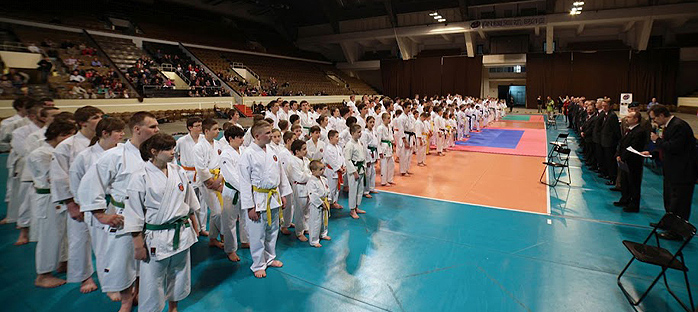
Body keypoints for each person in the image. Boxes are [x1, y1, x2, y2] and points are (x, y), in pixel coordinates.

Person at [77, 112, 159, 311]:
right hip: (125, 216)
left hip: (152, 216)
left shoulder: (156, 154)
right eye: (153, 127)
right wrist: (100, 215)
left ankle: (140, 292)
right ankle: (126, 300)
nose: (157, 130)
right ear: (137, 129)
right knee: (123, 261)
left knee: (146, 260)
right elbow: (90, 183)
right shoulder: (115, 155)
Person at [124, 133, 199, 312]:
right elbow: (134, 213)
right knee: (152, 281)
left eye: (173, 148)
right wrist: (138, 245)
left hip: (181, 231)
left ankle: (173, 307)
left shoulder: (178, 171)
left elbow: (188, 201)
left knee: (180, 274)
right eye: (168, 149)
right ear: (154, 152)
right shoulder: (139, 176)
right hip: (156, 237)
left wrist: (195, 224)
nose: (173, 152)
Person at [69, 117, 125, 300]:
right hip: (96, 207)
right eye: (119, 131)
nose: (123, 134)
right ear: (105, 134)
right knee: (102, 248)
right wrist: (81, 205)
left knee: (118, 247)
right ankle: (109, 286)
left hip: (118, 205)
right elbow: (77, 182)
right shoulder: (85, 156)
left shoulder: (122, 152)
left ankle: (123, 281)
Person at [51, 106, 103, 294]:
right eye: (96, 117)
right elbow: (59, 177)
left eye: (101, 116)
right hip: (79, 200)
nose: (101, 119)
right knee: (79, 240)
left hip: (103, 199)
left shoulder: (104, 142)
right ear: (82, 123)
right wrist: (71, 204)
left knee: (107, 240)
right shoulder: (67, 146)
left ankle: (109, 274)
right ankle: (84, 277)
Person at [238, 121, 292, 278]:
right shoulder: (247, 155)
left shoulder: (272, 150)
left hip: (273, 197)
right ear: (257, 135)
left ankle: (269, 258)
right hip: (258, 199)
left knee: (272, 231)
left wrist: (282, 193)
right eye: (267, 133)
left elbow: (280, 174)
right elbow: (244, 182)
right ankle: (258, 264)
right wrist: (250, 206)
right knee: (257, 234)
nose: (271, 135)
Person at [29, 120, 76, 288]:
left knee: (63, 233)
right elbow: (53, 178)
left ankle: (63, 262)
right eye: (70, 136)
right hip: (49, 198)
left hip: (62, 197)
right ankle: (43, 274)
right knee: (49, 236)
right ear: (61, 135)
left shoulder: (60, 151)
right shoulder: (40, 154)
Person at [646, 105, 698, 240]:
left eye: (654, 119)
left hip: (682, 172)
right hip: (671, 170)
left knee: (679, 202)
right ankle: (668, 222)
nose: (654, 122)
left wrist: (656, 140)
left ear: (662, 115)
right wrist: (652, 152)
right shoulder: (670, 126)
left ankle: (676, 231)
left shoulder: (679, 126)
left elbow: (673, 147)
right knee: (669, 199)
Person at [10, 99, 46, 245]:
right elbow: (24, 153)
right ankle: (23, 232)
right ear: (32, 116)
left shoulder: (52, 132)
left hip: (46, 173)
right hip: (30, 171)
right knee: (26, 204)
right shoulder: (22, 132)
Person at [193, 118, 224, 249]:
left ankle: (213, 238)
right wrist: (211, 182)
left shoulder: (218, 145)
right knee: (217, 211)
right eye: (215, 129)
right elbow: (200, 168)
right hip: (207, 183)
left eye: (218, 129)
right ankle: (222, 235)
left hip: (219, 180)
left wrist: (220, 179)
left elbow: (223, 162)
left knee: (220, 211)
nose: (218, 131)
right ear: (206, 131)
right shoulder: (198, 147)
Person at [174, 117, 207, 236]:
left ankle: (202, 228)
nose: (200, 128)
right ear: (190, 128)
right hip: (188, 174)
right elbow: (174, 153)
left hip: (202, 173)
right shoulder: (181, 141)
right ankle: (194, 227)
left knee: (203, 203)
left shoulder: (204, 139)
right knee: (190, 202)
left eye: (201, 125)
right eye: (197, 126)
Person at [614, 112, 648, 213]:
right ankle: (625, 199)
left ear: (636, 119)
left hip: (633, 161)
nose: (626, 119)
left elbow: (633, 147)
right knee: (625, 181)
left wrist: (623, 157)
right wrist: (618, 154)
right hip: (624, 160)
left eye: (629, 117)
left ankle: (633, 204)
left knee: (633, 183)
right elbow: (622, 144)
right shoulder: (629, 130)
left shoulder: (640, 131)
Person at [287, 139, 312, 241]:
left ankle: (306, 227)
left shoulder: (305, 160)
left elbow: (310, 172)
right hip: (299, 187)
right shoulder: (292, 161)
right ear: (297, 151)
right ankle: (299, 232)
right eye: (304, 149)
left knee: (307, 209)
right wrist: (309, 175)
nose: (306, 151)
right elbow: (300, 177)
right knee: (300, 211)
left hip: (308, 186)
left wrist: (308, 175)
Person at [344, 124, 367, 219]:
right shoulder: (349, 145)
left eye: (360, 132)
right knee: (353, 190)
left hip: (361, 168)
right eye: (358, 132)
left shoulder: (359, 143)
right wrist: (354, 172)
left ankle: (357, 207)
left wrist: (364, 167)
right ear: (352, 133)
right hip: (354, 170)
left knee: (360, 190)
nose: (360, 134)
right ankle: (352, 210)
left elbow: (363, 156)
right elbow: (348, 159)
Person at [307, 160, 331, 247]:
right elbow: (313, 195)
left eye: (323, 169)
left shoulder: (324, 179)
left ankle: (323, 234)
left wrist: (328, 199)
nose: (322, 171)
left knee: (325, 219)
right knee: (316, 222)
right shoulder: (311, 182)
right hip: (316, 205)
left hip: (325, 201)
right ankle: (314, 240)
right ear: (313, 171)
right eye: (320, 169)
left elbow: (328, 190)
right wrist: (320, 203)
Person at [323, 130, 345, 209]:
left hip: (338, 170)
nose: (338, 138)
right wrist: (339, 168)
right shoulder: (328, 148)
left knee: (336, 188)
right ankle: (329, 202)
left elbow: (342, 157)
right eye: (336, 137)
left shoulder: (338, 147)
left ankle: (334, 202)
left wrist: (343, 165)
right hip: (331, 171)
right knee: (331, 188)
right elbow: (331, 161)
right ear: (331, 138)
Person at [360, 116, 379, 197]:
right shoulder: (364, 133)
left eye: (373, 122)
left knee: (373, 172)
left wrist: (376, 157)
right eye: (370, 122)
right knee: (367, 173)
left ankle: (371, 187)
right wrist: (367, 160)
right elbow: (364, 146)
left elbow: (376, 144)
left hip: (373, 152)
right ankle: (366, 191)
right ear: (366, 123)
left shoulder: (374, 132)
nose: (372, 124)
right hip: (368, 153)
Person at [376, 113, 395, 186]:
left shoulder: (389, 127)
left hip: (389, 147)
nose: (389, 120)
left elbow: (390, 136)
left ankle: (390, 179)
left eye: (390, 118)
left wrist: (392, 141)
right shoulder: (380, 128)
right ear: (383, 119)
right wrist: (379, 151)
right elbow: (378, 141)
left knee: (391, 164)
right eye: (388, 118)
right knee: (384, 165)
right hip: (383, 147)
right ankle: (383, 181)